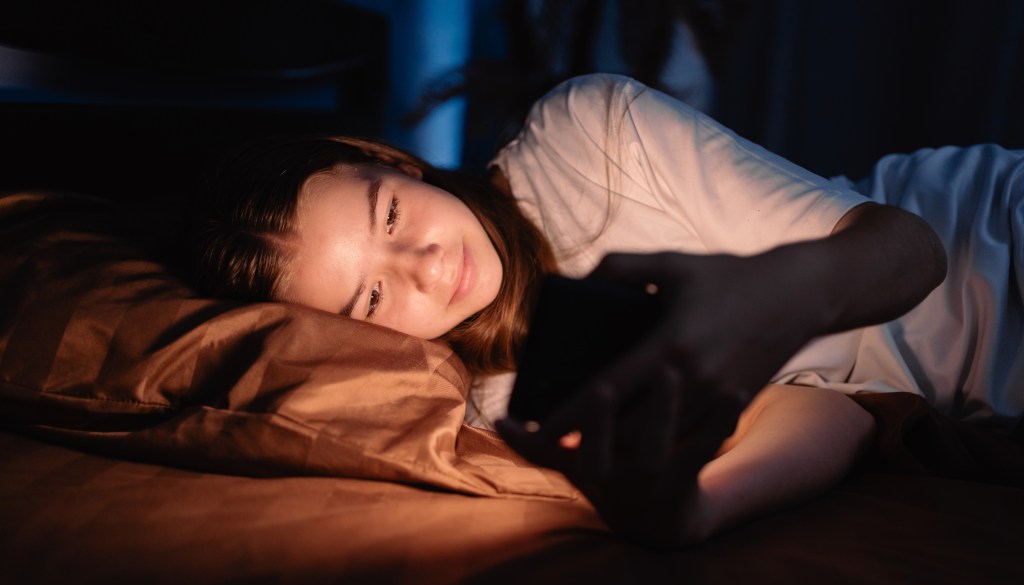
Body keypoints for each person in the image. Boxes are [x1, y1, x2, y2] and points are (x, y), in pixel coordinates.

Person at [190, 74, 1022, 546]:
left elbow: (910, 251)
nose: (426, 267)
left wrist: (768, 303)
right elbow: (826, 402)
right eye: (371, 296)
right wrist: (696, 510)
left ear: (388, 161)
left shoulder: (585, 139)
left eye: (391, 217)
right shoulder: (490, 411)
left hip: (990, 238)